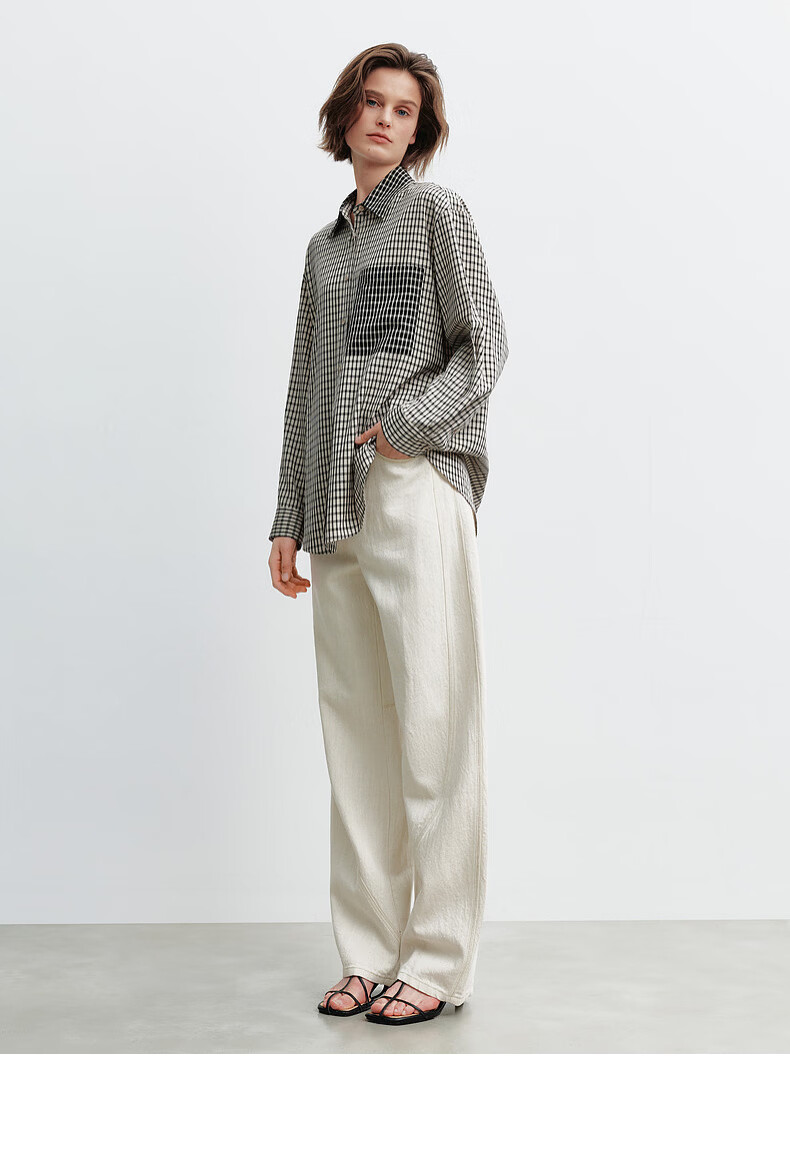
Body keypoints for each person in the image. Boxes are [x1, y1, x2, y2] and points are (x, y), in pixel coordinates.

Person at [267, 43, 509, 1026]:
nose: (383, 119)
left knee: (433, 729)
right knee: (357, 734)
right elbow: (305, 387)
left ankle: (437, 960)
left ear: (420, 131)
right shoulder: (322, 252)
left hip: (414, 491)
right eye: (371, 102)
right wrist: (286, 516)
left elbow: (484, 344)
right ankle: (367, 952)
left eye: (403, 110)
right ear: (346, 116)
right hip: (331, 508)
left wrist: (409, 425)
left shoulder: (439, 214)